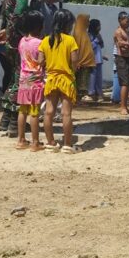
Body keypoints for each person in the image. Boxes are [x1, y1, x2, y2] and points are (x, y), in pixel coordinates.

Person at [0, 0, 39, 135]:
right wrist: (17, 38)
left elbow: (5, 12)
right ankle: (14, 123)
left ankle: (5, 122)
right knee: (20, 80)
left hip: (7, 41)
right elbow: (19, 14)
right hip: (18, 40)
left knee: (14, 78)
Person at [38, 9, 79, 154]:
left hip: (51, 79)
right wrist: (73, 70)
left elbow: (40, 61)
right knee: (66, 114)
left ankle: (51, 143)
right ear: (68, 24)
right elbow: (74, 60)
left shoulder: (45, 40)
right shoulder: (70, 40)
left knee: (48, 112)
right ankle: (68, 145)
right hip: (66, 79)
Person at [15, 10, 45, 151]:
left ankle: (21, 140)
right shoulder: (40, 43)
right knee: (34, 112)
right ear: (38, 26)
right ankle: (35, 142)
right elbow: (41, 61)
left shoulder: (22, 41)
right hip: (36, 81)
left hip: (23, 80)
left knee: (23, 111)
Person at [113, 11, 129, 114]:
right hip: (121, 57)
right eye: (126, 21)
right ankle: (122, 107)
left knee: (128, 83)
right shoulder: (118, 32)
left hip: (128, 57)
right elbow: (121, 45)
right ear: (120, 20)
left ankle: (125, 106)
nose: (128, 23)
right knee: (124, 83)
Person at [72, 14, 96, 102]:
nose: (88, 23)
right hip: (80, 62)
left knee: (83, 80)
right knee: (80, 81)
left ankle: (79, 97)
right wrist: (78, 61)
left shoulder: (83, 32)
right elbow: (76, 48)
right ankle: (79, 97)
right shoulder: (78, 33)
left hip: (85, 62)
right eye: (87, 21)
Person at [87, 19, 106, 101]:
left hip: (99, 59)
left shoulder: (98, 35)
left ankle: (99, 93)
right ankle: (91, 93)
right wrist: (96, 41)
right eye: (99, 26)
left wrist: (100, 40)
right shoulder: (88, 35)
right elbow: (89, 47)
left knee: (99, 77)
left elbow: (101, 46)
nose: (100, 27)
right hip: (92, 59)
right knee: (92, 77)